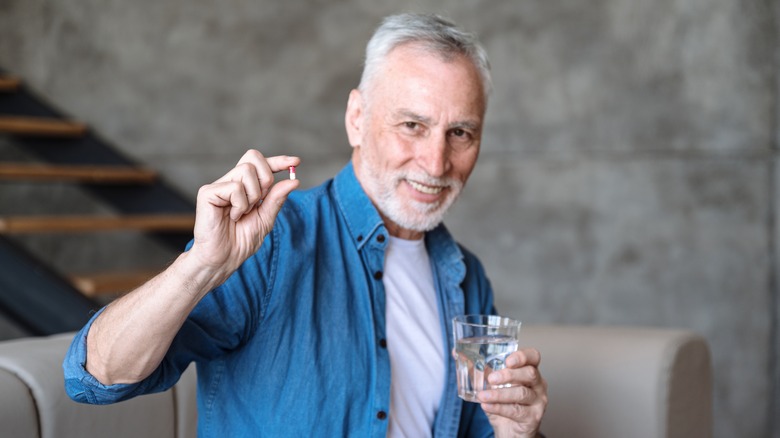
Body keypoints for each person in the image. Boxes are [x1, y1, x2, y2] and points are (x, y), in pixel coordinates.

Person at [63, 13, 548, 437]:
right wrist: (201, 267)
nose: (436, 161)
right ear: (357, 118)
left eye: (459, 133)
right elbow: (97, 376)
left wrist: (519, 431)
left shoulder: (464, 277)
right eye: (412, 126)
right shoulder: (271, 244)